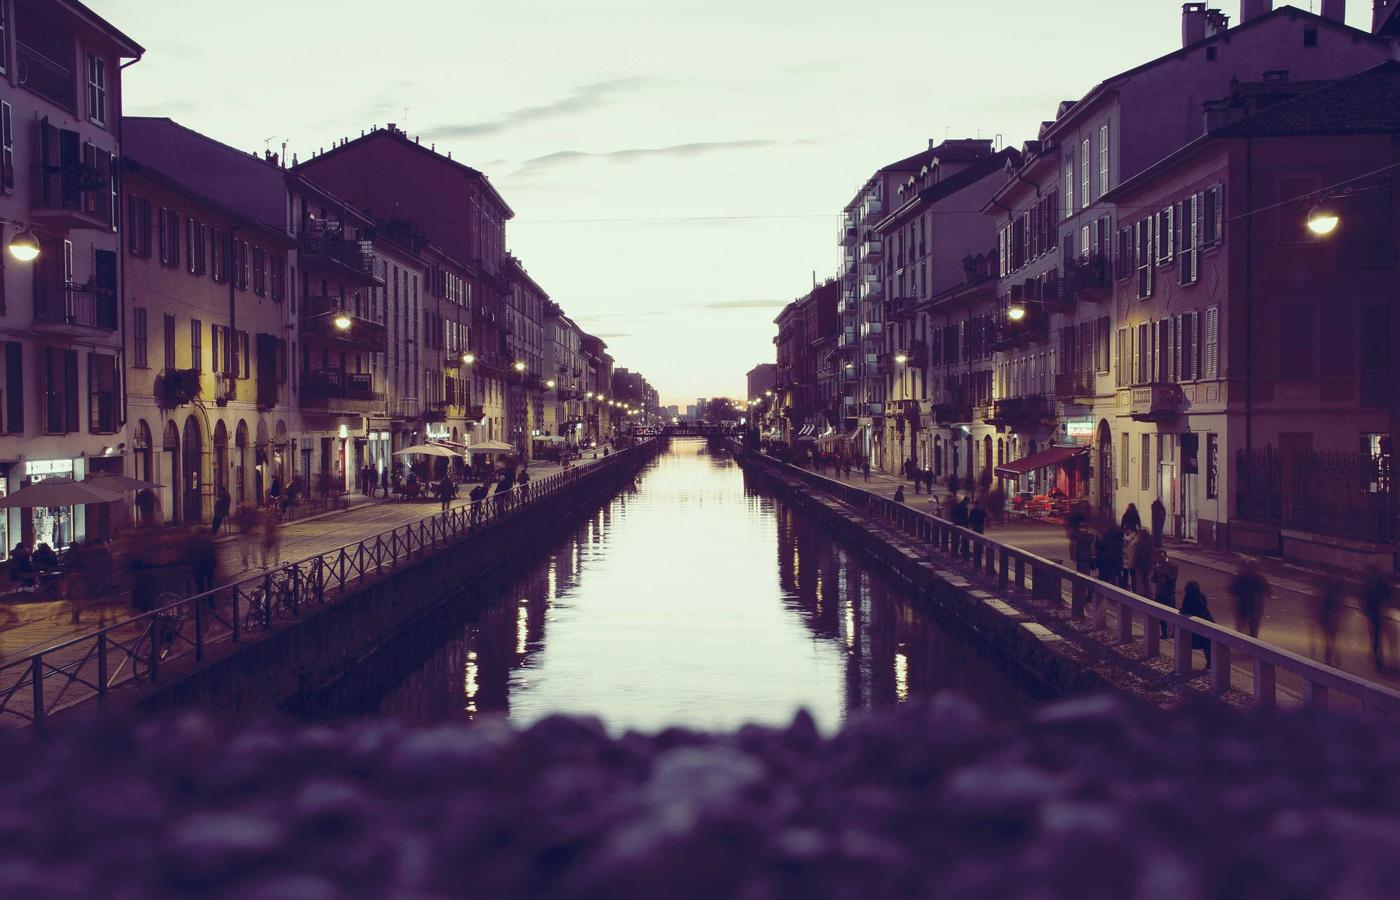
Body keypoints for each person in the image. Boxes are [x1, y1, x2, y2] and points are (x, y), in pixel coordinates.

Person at [1362, 567, 1392, 673]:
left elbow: (1363, 598)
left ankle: (1378, 660)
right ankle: (1379, 660)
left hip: (1373, 614)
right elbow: (1388, 597)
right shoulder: (1380, 585)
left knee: (1375, 638)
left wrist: (1365, 611)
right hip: (1377, 614)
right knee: (1377, 638)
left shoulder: (1369, 585)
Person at [1313, 571, 1345, 668]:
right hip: (1330, 620)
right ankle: (1333, 660)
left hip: (1327, 619)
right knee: (1332, 639)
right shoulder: (1333, 594)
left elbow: (1320, 606)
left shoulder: (1324, 592)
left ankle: (1330, 659)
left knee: (1329, 639)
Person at [1179, 581, 1216, 667]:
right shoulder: (1201, 596)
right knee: (1207, 644)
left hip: (1197, 624)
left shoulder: (1188, 597)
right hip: (1207, 621)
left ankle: (1184, 665)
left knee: (1188, 643)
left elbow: (1184, 610)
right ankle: (1210, 663)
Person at [1229, 561, 1268, 639]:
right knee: (1244, 626)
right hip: (1244, 605)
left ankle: (1248, 642)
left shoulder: (1257, 579)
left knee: (1251, 627)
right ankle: (1245, 642)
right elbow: (1233, 593)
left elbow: (1232, 592)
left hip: (1253, 606)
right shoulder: (1240, 578)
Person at [1149, 548, 1179, 638]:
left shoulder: (1172, 565)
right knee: (1160, 613)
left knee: (1172, 614)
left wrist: (1161, 571)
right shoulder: (1156, 565)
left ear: (1164, 556)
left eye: (1159, 557)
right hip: (1159, 592)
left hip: (1169, 593)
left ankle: (1174, 633)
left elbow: (1173, 578)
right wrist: (1155, 572)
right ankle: (1164, 633)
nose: (1158, 560)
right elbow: (1153, 579)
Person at [187, 527, 218, 595]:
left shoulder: (193, 541)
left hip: (198, 567)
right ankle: (210, 597)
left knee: (200, 585)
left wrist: (190, 565)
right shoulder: (208, 541)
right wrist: (214, 564)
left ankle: (201, 597)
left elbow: (190, 554)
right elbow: (212, 554)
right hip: (207, 566)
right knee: (209, 583)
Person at [1130, 526, 1155, 598]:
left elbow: (1136, 554)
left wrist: (1134, 563)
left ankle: (1142, 594)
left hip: (1140, 565)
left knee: (1140, 580)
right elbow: (1152, 554)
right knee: (1146, 579)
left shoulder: (1139, 543)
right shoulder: (1150, 542)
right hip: (1148, 565)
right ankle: (1149, 594)